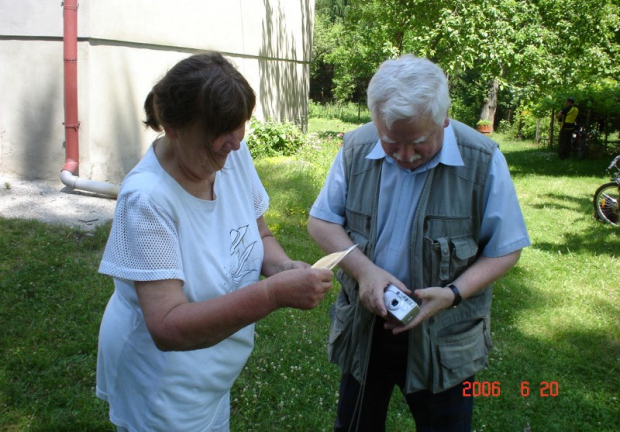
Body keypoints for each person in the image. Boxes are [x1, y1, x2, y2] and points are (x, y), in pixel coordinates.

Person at [96, 52, 333, 432]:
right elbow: (167, 326)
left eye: (239, 129)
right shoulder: (147, 199)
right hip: (162, 390)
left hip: (210, 376)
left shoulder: (229, 154)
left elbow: (258, 233)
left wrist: (282, 266)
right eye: (221, 136)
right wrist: (273, 294)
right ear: (173, 127)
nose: (234, 145)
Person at [307, 54, 530, 432]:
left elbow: (506, 248)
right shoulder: (356, 147)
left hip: (443, 337)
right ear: (376, 122)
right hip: (367, 328)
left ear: (444, 118)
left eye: (420, 142)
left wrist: (453, 294)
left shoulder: (482, 159)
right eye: (391, 141)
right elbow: (321, 221)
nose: (405, 155)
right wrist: (366, 273)